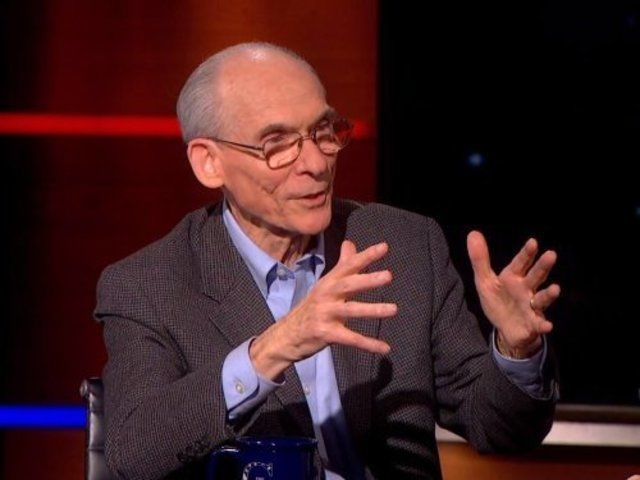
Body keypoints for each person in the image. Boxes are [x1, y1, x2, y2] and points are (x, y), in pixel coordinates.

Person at [95, 42, 560, 480]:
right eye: (277, 144)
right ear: (209, 163)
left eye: (322, 132)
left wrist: (517, 351)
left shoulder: (405, 245)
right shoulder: (148, 285)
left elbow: (499, 428)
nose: (316, 163)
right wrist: (273, 348)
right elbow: (133, 454)